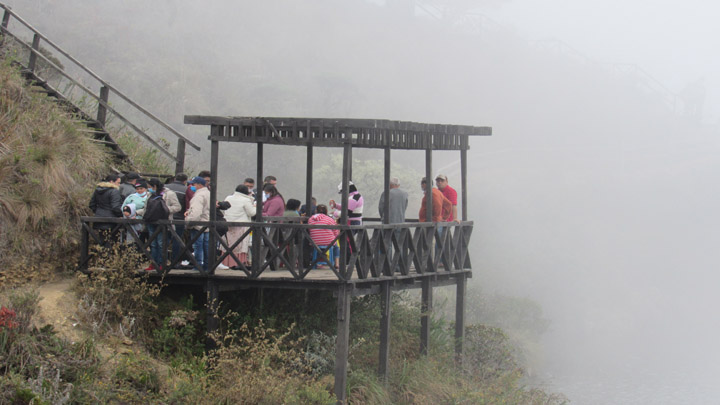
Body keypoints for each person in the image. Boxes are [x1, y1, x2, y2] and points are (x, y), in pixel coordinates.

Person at [143, 178, 181, 271]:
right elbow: (146, 208)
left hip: (164, 223)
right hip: (151, 222)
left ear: (155, 186)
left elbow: (177, 207)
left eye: (149, 187)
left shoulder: (169, 194)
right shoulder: (149, 195)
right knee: (153, 243)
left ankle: (161, 264)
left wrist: (164, 209)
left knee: (161, 243)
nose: (148, 189)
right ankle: (153, 263)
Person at [222, 184, 256, 268]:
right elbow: (251, 213)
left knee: (229, 244)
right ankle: (238, 263)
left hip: (228, 224)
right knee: (240, 246)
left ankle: (226, 263)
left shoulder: (228, 198)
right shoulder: (246, 200)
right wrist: (255, 206)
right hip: (241, 225)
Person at [89, 173, 123, 246]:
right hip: (112, 220)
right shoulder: (114, 191)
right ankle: (110, 257)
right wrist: (121, 215)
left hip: (99, 219)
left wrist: (98, 212)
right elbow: (115, 207)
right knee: (112, 241)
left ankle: (103, 256)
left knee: (103, 240)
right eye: (118, 183)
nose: (119, 185)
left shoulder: (97, 190)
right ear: (111, 182)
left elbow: (92, 204)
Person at [185, 177, 210, 272]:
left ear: (199, 185)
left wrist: (189, 222)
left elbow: (196, 213)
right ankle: (207, 266)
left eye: (193, 184)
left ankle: (198, 266)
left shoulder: (198, 196)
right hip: (207, 224)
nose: (191, 186)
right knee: (206, 246)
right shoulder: (209, 193)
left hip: (198, 225)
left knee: (198, 246)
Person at [165, 173, 190, 266]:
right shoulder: (186, 190)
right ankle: (175, 261)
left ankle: (162, 260)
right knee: (177, 239)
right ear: (185, 181)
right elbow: (187, 204)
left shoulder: (165, 187)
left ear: (175, 179)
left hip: (166, 217)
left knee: (164, 239)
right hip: (179, 218)